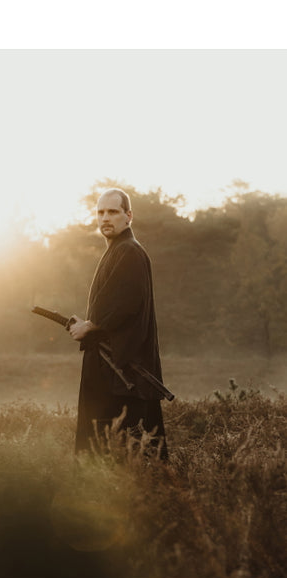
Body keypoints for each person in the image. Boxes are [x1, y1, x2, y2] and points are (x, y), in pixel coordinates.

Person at [68, 188, 168, 458]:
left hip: (124, 377)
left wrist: (90, 326)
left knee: (124, 455)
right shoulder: (118, 250)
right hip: (113, 372)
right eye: (100, 212)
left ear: (128, 216)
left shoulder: (130, 251)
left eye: (113, 212)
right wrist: (89, 323)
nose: (105, 218)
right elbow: (114, 304)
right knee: (112, 454)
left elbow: (126, 303)